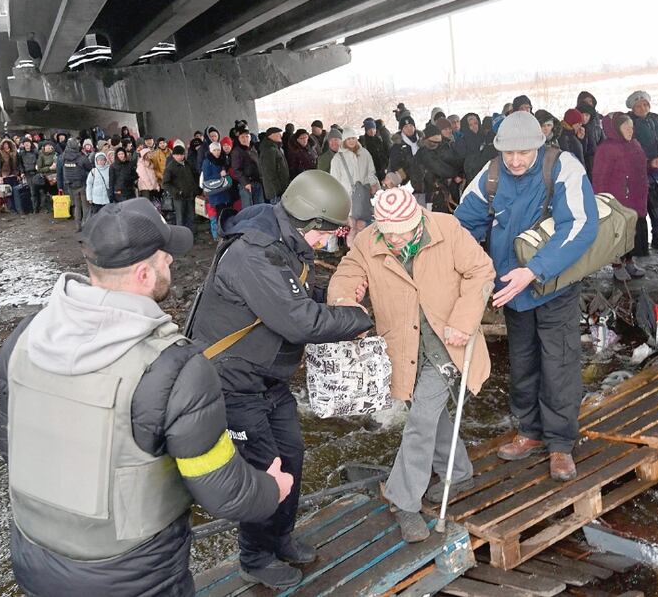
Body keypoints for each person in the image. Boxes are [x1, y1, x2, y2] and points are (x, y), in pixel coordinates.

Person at [0, 198, 290, 596]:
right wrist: (271, 489)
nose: (170, 259)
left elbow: (9, 444)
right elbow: (221, 489)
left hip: (33, 559)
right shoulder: (177, 367)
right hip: (133, 573)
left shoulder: (24, 338)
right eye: (164, 256)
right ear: (144, 274)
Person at [187, 170, 373, 590]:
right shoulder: (254, 253)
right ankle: (255, 556)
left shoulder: (283, 240)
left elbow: (297, 296)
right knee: (263, 471)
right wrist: (358, 318)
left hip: (268, 379)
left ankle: (280, 537)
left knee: (291, 455)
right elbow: (299, 321)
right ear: (311, 224)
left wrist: (334, 298)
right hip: (231, 381)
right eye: (330, 233)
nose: (330, 241)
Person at [328, 188, 495, 542]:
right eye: (389, 233)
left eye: (403, 232)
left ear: (418, 218)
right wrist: (346, 299)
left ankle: (403, 500)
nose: (396, 239)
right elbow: (347, 274)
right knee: (432, 414)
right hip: (402, 345)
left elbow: (480, 271)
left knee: (420, 420)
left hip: (448, 344)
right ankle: (460, 472)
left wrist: (463, 322)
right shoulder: (369, 241)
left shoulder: (446, 228)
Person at [455, 111, 598, 481]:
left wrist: (534, 270)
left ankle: (561, 444)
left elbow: (581, 225)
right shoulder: (489, 175)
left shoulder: (563, 167)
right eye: (509, 154)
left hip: (554, 285)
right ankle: (530, 432)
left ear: (540, 144)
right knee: (522, 362)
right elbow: (460, 226)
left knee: (559, 363)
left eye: (524, 153)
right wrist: (468, 271)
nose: (516, 161)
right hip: (511, 290)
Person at [592, 113, 648, 281]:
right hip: (617, 199)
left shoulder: (635, 144)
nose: (630, 130)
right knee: (618, 234)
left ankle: (629, 261)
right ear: (616, 129)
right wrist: (601, 199)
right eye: (626, 127)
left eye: (631, 127)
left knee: (632, 233)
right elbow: (599, 176)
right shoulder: (606, 148)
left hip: (636, 197)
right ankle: (617, 265)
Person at [626, 91, 658, 253]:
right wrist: (648, 161)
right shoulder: (629, 123)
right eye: (638, 106)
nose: (643, 108)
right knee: (643, 206)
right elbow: (630, 148)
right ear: (632, 108)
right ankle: (640, 243)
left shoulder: (655, 118)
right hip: (641, 171)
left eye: (645, 104)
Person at [330, 126, 379, 247]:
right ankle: (353, 253)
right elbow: (334, 181)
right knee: (352, 226)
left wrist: (373, 184)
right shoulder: (337, 158)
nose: (351, 141)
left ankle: (365, 250)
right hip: (347, 198)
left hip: (363, 196)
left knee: (362, 225)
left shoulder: (365, 154)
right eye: (348, 139)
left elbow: (370, 172)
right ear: (344, 140)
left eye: (353, 138)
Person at [162, 145, 200, 231]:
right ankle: (182, 237)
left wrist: (196, 189)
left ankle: (192, 235)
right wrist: (177, 192)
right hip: (179, 198)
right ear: (174, 155)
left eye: (182, 154)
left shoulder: (187, 164)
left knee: (191, 216)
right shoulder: (170, 167)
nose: (180, 157)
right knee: (181, 218)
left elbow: (195, 176)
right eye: (177, 155)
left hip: (190, 195)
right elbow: (165, 183)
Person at [384, 115, 422, 198]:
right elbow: (395, 165)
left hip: (425, 179)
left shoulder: (422, 141)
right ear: (401, 129)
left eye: (411, 126)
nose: (409, 128)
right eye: (405, 127)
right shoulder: (397, 146)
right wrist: (405, 175)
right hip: (407, 180)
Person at [202, 142, 233, 239]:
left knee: (225, 213)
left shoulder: (222, 159)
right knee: (219, 215)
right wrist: (220, 175)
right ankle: (220, 235)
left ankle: (225, 233)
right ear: (210, 151)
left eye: (218, 149)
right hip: (215, 193)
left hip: (224, 190)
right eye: (214, 150)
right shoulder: (207, 161)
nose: (217, 152)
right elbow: (207, 178)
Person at [454, 112, 495, 184]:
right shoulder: (461, 142)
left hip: (489, 176)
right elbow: (460, 162)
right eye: (470, 125)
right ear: (465, 126)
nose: (474, 126)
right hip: (471, 180)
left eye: (476, 123)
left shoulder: (485, 138)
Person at [230, 126, 264, 208]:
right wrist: (246, 183)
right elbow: (237, 169)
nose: (245, 139)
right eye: (242, 137)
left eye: (247, 136)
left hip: (257, 181)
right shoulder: (237, 151)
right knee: (249, 207)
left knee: (260, 205)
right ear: (238, 138)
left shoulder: (254, 148)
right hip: (247, 184)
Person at [62, 138, 92, 228]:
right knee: (85, 206)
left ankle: (77, 225)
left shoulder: (64, 157)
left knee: (77, 206)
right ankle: (85, 224)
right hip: (82, 184)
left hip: (70, 185)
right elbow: (89, 168)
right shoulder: (81, 157)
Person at [258, 127, 290, 204]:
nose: (280, 136)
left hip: (280, 188)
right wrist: (277, 190)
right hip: (276, 191)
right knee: (278, 213)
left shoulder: (275, 148)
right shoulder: (269, 150)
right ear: (271, 135)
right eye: (278, 134)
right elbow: (269, 172)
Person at [0, 138, 21, 214]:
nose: (6, 146)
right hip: (5, 175)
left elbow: (18, 164)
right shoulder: (0, 154)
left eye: (7, 144)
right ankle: (12, 208)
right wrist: (0, 177)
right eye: (4, 144)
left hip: (15, 175)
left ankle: (18, 207)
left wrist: (19, 174)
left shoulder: (15, 152)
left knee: (16, 192)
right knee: (8, 193)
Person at [85, 151, 112, 215]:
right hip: (96, 200)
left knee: (106, 216)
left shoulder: (109, 169)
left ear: (105, 160)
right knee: (97, 216)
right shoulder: (93, 171)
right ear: (96, 161)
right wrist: (89, 198)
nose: (101, 162)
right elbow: (89, 185)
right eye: (99, 160)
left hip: (107, 199)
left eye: (102, 160)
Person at [34, 142, 57, 213]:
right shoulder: (41, 156)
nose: (48, 147)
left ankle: (57, 207)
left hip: (56, 176)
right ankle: (49, 208)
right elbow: (39, 169)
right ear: (44, 147)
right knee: (48, 193)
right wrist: (49, 168)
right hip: (47, 177)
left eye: (50, 146)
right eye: (47, 146)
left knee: (56, 192)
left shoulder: (55, 154)